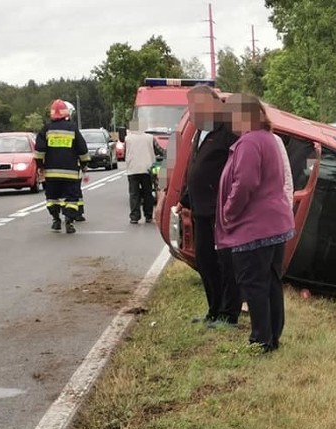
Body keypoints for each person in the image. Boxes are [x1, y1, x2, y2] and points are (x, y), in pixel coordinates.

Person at [216, 94, 295, 352]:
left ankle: (260, 340)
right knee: (270, 281)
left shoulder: (249, 142)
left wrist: (229, 210)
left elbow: (245, 182)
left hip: (254, 226)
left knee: (253, 283)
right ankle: (272, 336)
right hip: (275, 223)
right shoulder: (268, 139)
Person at [175, 85, 242, 326]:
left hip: (221, 209)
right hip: (200, 208)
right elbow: (194, 168)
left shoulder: (230, 130)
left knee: (226, 262)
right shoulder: (200, 131)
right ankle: (213, 310)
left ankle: (228, 314)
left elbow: (239, 170)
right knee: (204, 260)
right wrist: (184, 199)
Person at [34, 99, 90, 234]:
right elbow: (82, 149)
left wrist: (40, 167)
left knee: (52, 198)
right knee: (71, 198)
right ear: (67, 113)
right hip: (70, 173)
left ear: (51, 114)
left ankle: (56, 220)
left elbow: (39, 151)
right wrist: (84, 165)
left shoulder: (46, 129)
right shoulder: (72, 128)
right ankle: (69, 221)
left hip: (51, 174)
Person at [124, 123, 159, 224]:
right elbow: (159, 150)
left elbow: (126, 152)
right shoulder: (150, 138)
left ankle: (134, 217)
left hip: (132, 169)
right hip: (147, 169)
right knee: (147, 193)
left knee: (134, 194)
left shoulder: (127, 139)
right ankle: (148, 216)